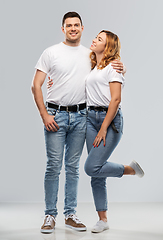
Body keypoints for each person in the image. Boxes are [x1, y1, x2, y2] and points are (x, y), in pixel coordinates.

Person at [31, 12, 125, 234]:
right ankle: (49, 215)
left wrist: (122, 67)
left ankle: (70, 214)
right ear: (63, 29)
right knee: (54, 165)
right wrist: (44, 114)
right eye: (68, 25)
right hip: (56, 115)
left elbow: (107, 68)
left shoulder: (90, 55)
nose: (73, 28)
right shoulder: (51, 52)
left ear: (82, 28)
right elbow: (36, 85)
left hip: (82, 116)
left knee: (73, 167)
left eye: (76, 25)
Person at [84, 30, 144, 233]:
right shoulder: (94, 67)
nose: (94, 40)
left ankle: (129, 169)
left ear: (107, 47)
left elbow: (116, 100)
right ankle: (103, 220)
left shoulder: (114, 68)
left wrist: (103, 128)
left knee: (92, 167)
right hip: (89, 119)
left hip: (109, 122)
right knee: (96, 173)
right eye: (96, 37)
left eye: (99, 39)